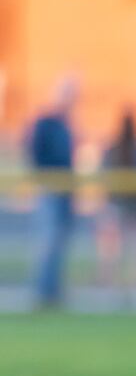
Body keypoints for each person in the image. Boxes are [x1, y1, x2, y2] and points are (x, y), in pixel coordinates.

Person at [28, 77, 78, 309]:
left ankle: (54, 292)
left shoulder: (67, 124)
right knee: (48, 243)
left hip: (66, 190)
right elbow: (36, 154)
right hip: (50, 189)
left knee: (59, 244)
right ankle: (43, 293)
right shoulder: (45, 123)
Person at [96, 107, 136, 302]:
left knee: (117, 252)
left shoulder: (124, 151)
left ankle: (114, 290)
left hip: (124, 207)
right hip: (127, 207)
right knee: (131, 251)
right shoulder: (133, 151)